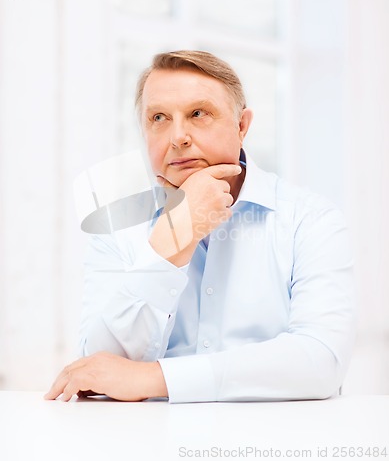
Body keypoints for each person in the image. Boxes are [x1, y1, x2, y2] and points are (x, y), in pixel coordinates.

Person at [45, 50, 355, 403]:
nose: (178, 137)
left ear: (242, 126)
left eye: (198, 114)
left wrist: (154, 379)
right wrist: (175, 236)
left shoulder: (310, 220)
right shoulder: (118, 228)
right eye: (158, 117)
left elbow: (320, 362)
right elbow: (99, 368)